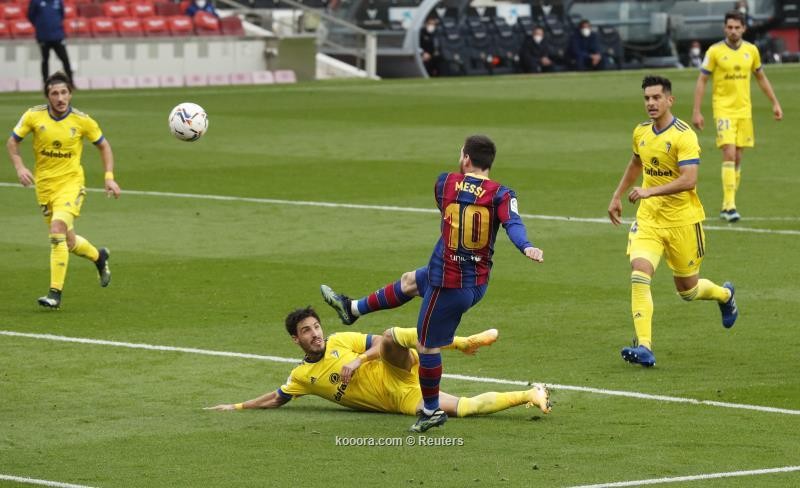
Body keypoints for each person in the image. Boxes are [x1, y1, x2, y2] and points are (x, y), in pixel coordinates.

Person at [321, 134, 544, 432]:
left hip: (448, 285)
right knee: (411, 281)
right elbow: (514, 225)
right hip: (475, 281)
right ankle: (353, 309)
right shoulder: (502, 193)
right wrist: (526, 246)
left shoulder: (445, 183)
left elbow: (449, 210)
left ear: (466, 157)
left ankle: (430, 411)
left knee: (427, 347)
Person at [204, 307, 552, 419]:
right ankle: (531, 395)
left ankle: (463, 342)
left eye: (315, 327)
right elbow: (276, 397)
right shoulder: (303, 377)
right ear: (296, 340)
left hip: (396, 366)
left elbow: (382, 345)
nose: (315, 334)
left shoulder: (341, 341)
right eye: (306, 332)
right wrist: (236, 406)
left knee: (390, 334)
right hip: (398, 398)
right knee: (463, 409)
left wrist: (357, 363)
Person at [607, 75, 739, 368]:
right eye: (646, 98)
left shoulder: (683, 135)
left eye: (656, 98)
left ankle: (725, 295)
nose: (651, 103)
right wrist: (617, 195)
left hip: (683, 222)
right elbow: (636, 163)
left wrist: (648, 190)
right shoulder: (640, 132)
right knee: (639, 274)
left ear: (670, 100)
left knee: (688, 291)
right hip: (650, 220)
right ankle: (645, 347)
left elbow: (689, 180)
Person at [6, 72, 120, 309]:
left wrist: (109, 177)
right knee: (66, 241)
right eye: (55, 93)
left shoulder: (82, 121)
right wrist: (19, 166)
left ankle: (54, 294)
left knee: (56, 230)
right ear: (47, 96)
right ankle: (99, 257)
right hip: (45, 187)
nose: (60, 98)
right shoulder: (33, 115)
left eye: (64, 92)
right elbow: (12, 142)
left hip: (71, 184)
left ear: (71, 93)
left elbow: (104, 146)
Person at [691, 10, 782, 223]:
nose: (733, 31)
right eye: (729, 27)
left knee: (738, 156)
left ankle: (726, 205)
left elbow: (761, 78)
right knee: (729, 153)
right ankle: (730, 206)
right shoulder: (714, 51)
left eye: (737, 27)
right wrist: (696, 110)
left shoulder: (751, 51)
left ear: (744, 29)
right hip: (723, 110)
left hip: (744, 110)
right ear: (725, 28)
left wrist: (775, 103)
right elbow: (702, 80)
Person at [27, 0, 73, 85]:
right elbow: (31, 16)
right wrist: (40, 26)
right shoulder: (36, 2)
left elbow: (62, 15)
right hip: (43, 36)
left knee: (65, 59)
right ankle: (46, 83)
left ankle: (70, 81)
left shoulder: (58, 1)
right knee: (45, 60)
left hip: (58, 36)